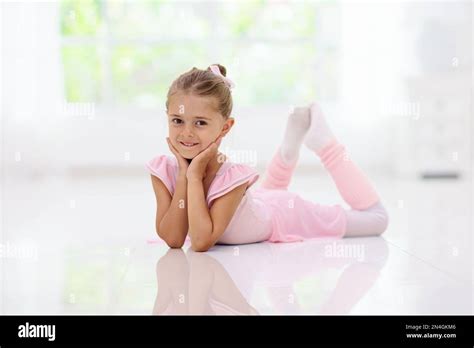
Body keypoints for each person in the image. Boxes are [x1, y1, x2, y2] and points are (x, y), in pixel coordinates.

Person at [146, 64, 389, 252]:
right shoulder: (164, 170)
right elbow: (174, 239)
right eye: (177, 121)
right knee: (267, 196)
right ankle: (289, 146)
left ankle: (325, 145)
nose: (186, 132)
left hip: (284, 214)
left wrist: (195, 175)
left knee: (378, 218)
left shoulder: (234, 177)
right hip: (259, 206)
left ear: (224, 128)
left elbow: (200, 242)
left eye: (200, 123)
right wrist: (183, 175)